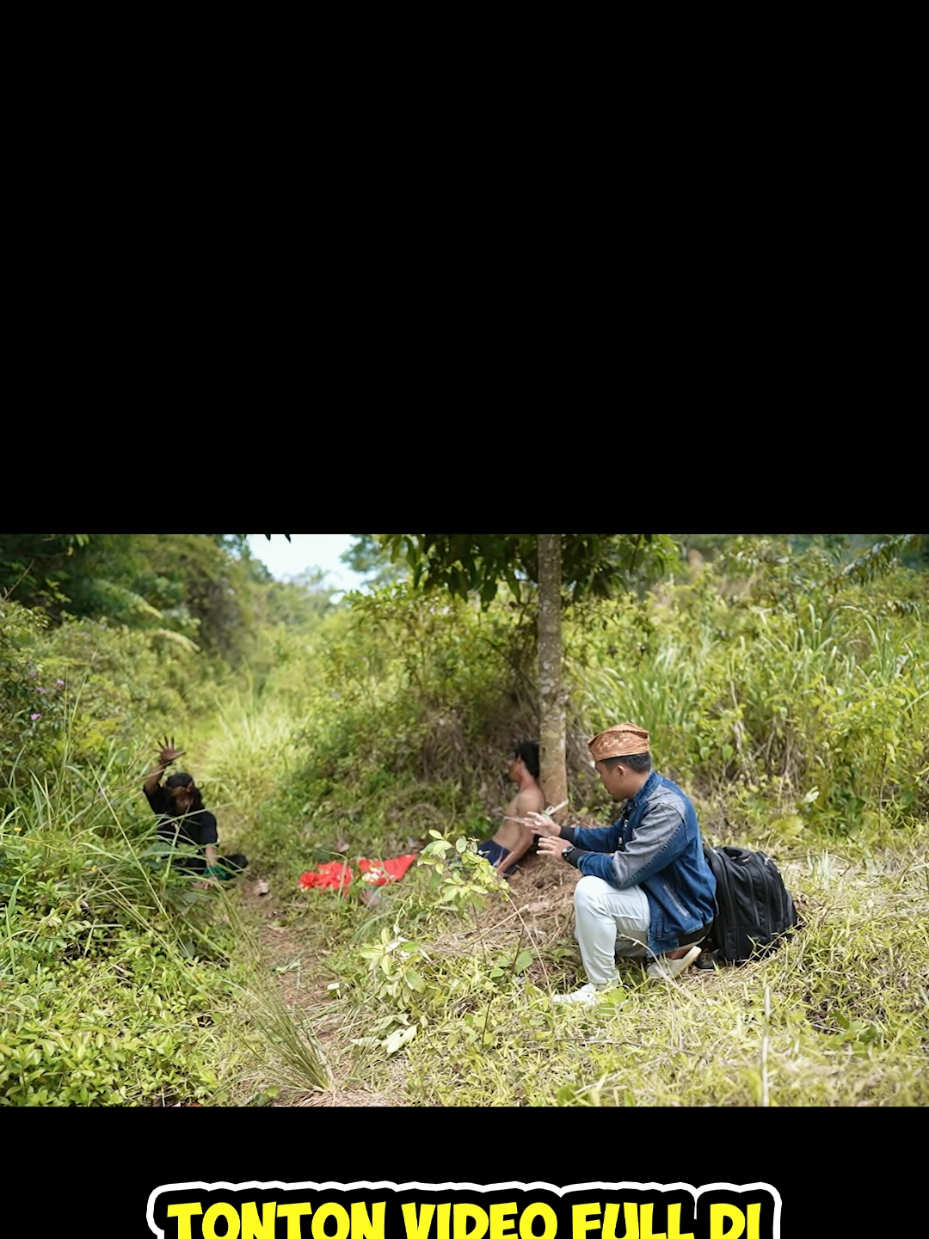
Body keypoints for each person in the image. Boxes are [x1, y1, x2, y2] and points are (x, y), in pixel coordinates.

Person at [525, 722, 717, 1004]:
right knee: (585, 933)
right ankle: (667, 957)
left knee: (590, 892)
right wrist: (561, 832)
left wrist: (569, 853)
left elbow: (621, 873)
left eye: (602, 774)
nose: (602, 781)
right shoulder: (646, 797)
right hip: (660, 899)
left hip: (682, 915)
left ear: (620, 771)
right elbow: (615, 837)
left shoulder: (666, 810)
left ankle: (604, 990)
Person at [143, 737, 247, 887]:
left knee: (238, 861)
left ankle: (202, 881)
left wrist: (212, 872)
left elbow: (210, 846)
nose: (186, 803)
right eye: (181, 799)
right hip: (170, 865)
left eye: (188, 798)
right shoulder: (163, 808)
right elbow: (150, 785)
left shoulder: (204, 817)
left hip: (199, 864)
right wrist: (163, 763)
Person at [477, 741, 547, 878]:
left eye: (513, 762)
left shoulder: (529, 798)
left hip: (498, 854)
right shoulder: (525, 794)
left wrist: (500, 868)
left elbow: (526, 840)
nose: (510, 766)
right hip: (491, 849)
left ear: (519, 761)